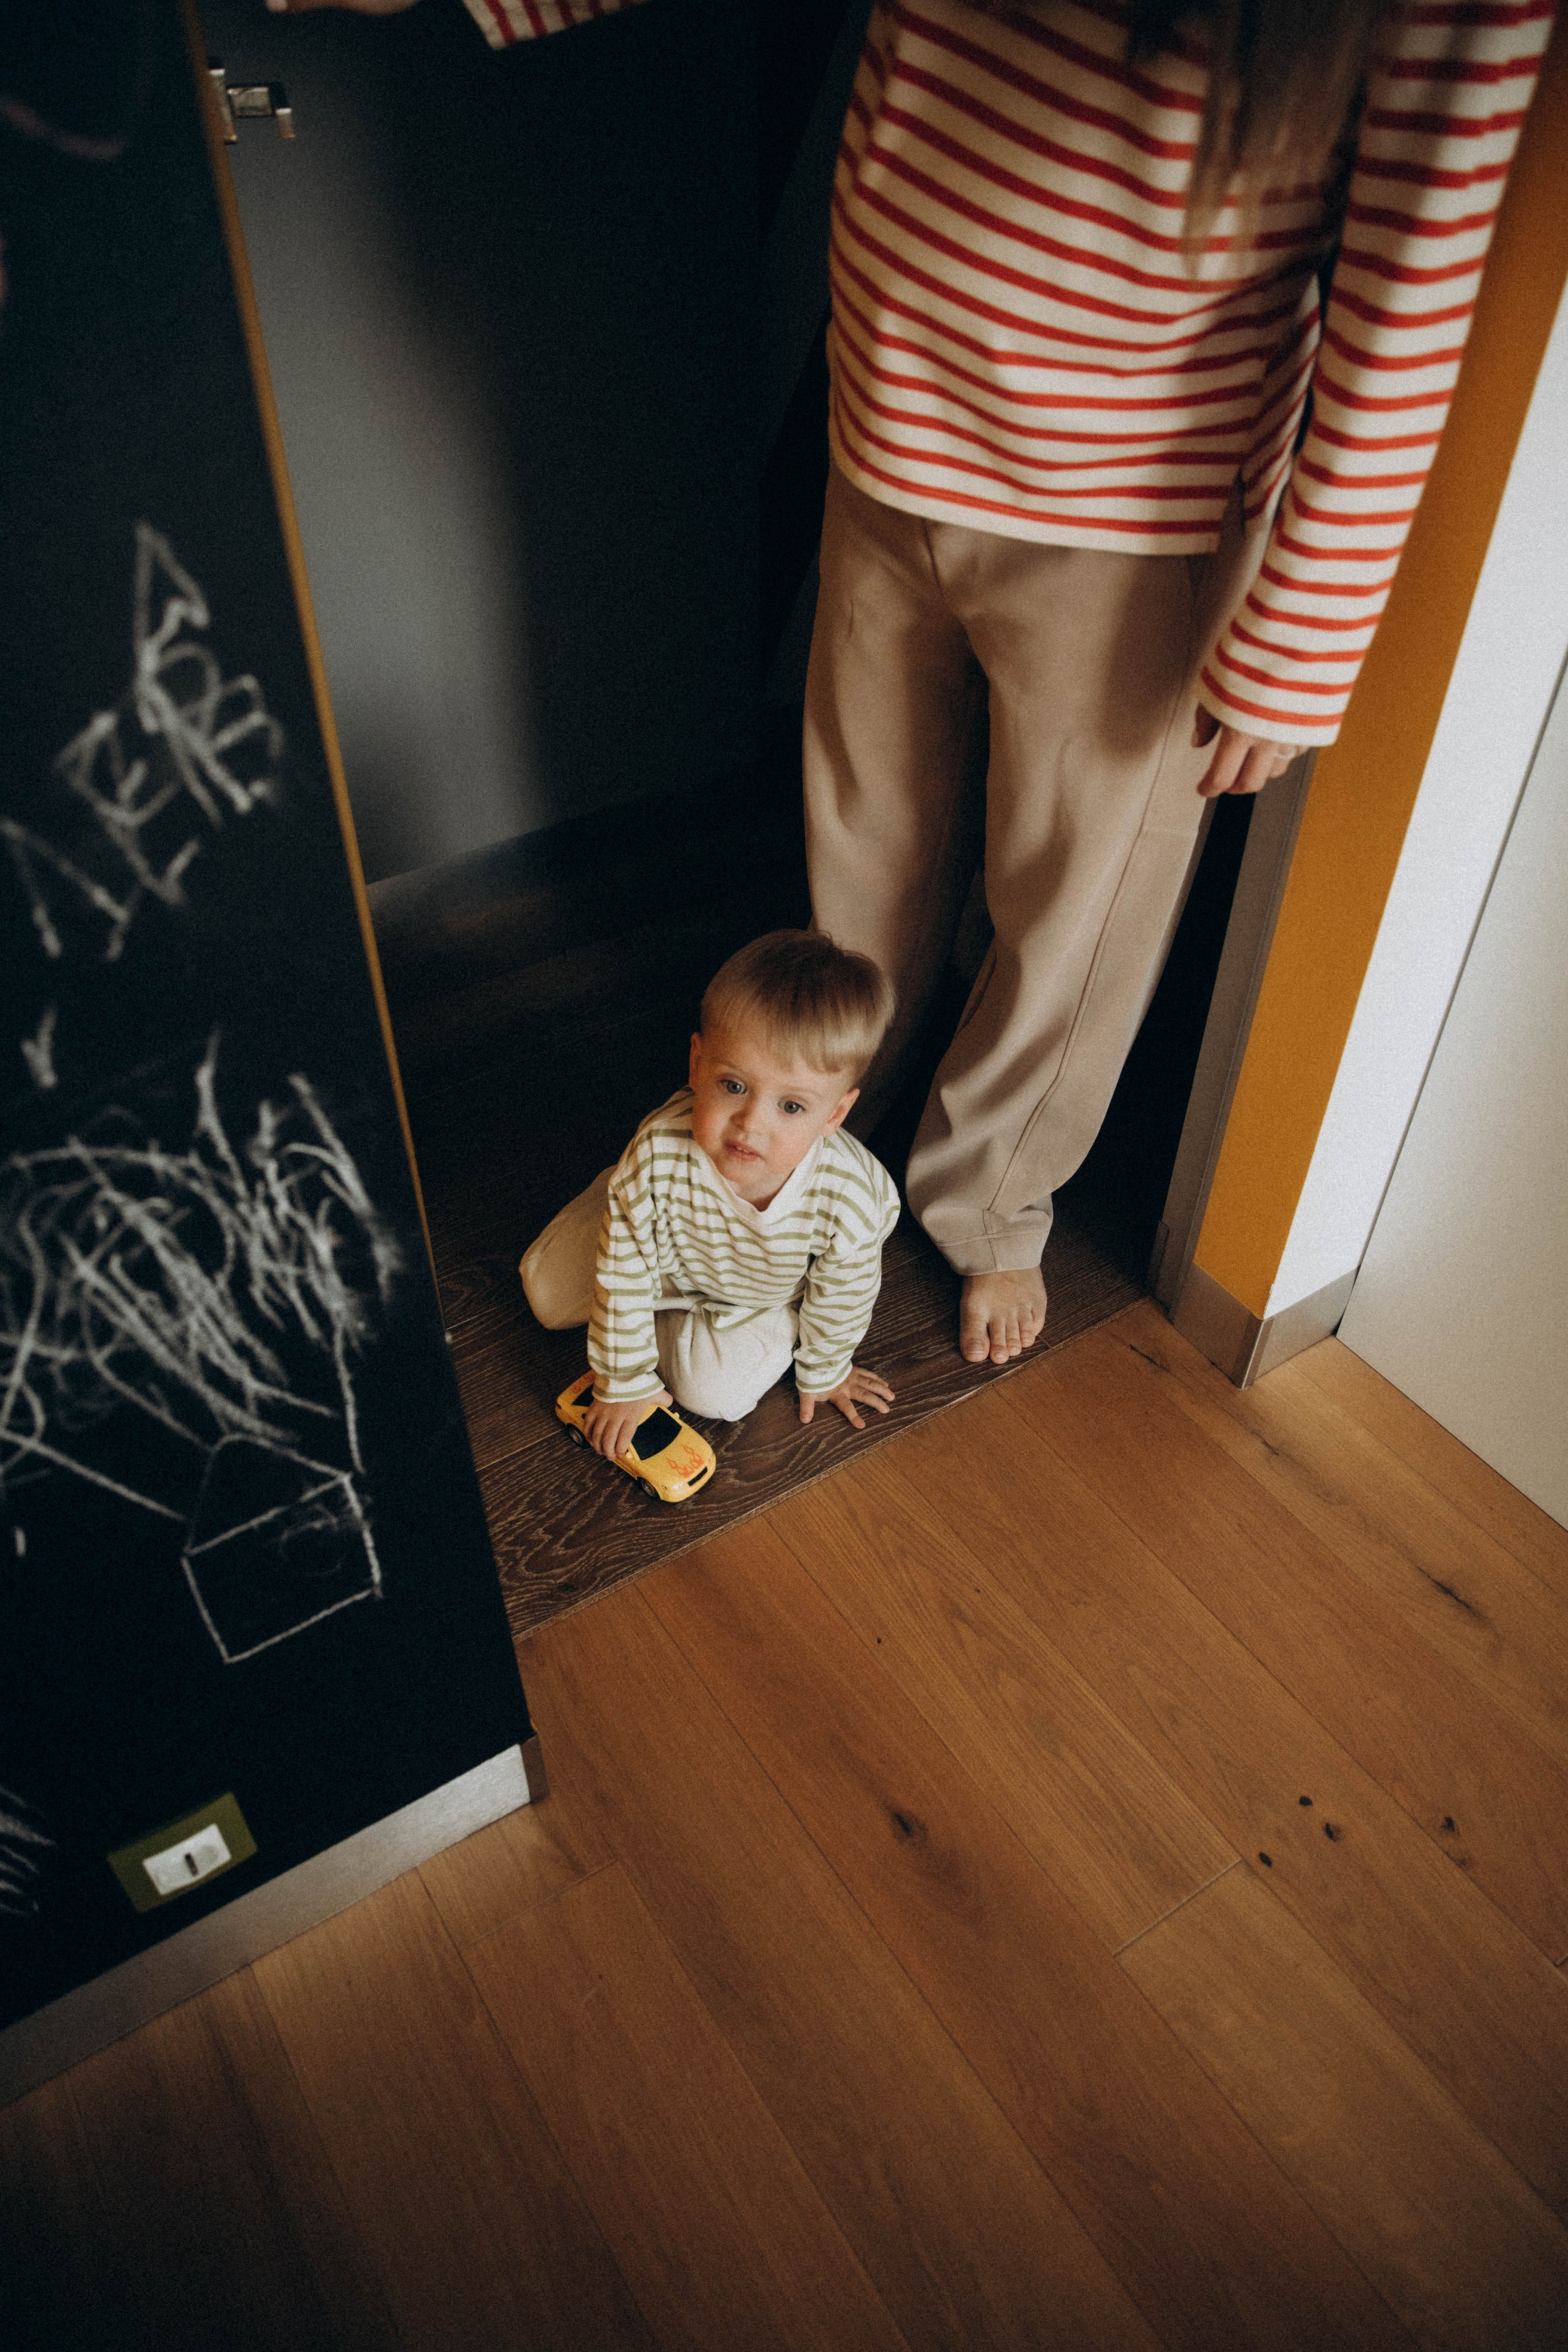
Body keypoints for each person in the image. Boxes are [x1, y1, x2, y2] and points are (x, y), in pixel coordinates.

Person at [804, 0, 1554, 1370]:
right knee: (868, 836)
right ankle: (812, 1123)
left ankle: (989, 1195)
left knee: (1074, 902)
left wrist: (1297, 643)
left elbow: (1411, 283)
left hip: (1131, 504)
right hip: (889, 408)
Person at [520, 929, 900, 1460]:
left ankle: (672, 1307)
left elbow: (844, 1296)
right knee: (543, 1294)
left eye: (791, 1107)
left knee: (717, 1397)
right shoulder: (659, 1152)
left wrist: (826, 1369)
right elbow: (624, 1272)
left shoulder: (851, 1198)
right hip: (664, 1248)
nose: (750, 1125)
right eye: (733, 1086)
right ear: (697, 1064)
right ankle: (619, 1200)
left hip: (752, 1294)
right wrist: (624, 1380)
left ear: (834, 1114)